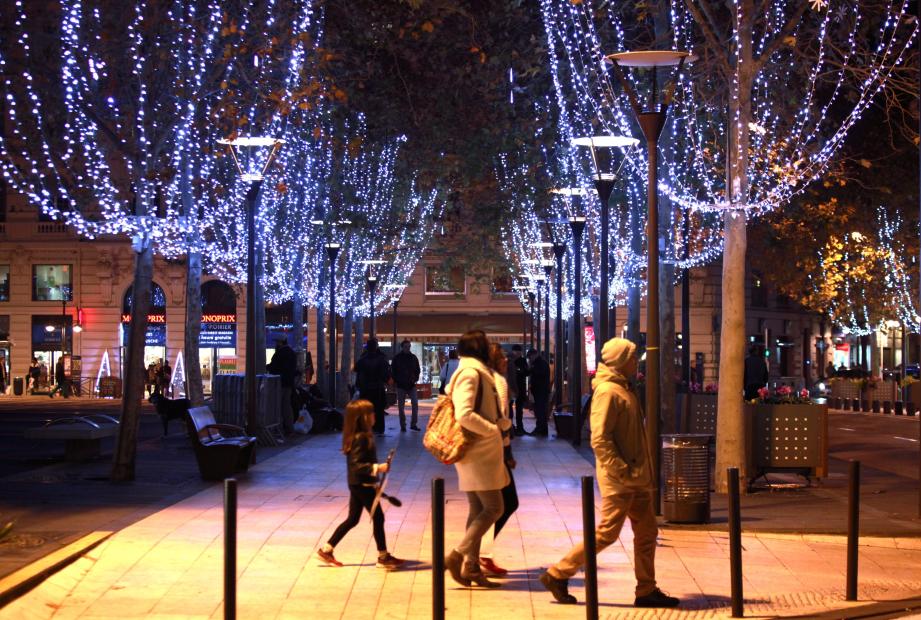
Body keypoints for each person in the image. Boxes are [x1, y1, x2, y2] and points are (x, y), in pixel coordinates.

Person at [539, 337, 679, 609]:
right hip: (622, 478)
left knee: (647, 532)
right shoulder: (608, 392)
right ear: (620, 361)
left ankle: (646, 589)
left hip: (635, 476)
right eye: (631, 358)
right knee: (606, 533)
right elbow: (600, 439)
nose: (635, 362)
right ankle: (558, 573)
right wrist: (622, 471)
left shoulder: (623, 388)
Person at [444, 330, 510, 589]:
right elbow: (465, 414)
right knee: (495, 507)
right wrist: (493, 429)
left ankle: (471, 566)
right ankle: (458, 554)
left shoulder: (476, 372)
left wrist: (500, 423)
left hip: (478, 449)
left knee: (477, 509)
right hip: (478, 450)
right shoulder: (471, 374)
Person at [315, 399, 404, 570]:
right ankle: (383, 556)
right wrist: (379, 467)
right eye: (371, 413)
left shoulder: (357, 436)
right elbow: (357, 465)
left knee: (353, 519)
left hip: (357, 483)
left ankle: (327, 549)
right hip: (361, 484)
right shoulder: (361, 438)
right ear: (363, 418)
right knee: (378, 517)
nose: (375, 415)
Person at [478, 342, 519, 577]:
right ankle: (473, 552)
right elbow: (502, 418)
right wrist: (507, 451)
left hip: (484, 450)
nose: (506, 359)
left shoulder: (482, 380)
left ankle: (480, 553)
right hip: (495, 451)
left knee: (488, 506)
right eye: (502, 356)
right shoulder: (499, 382)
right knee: (505, 503)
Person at [354, 338, 392, 435]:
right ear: (376, 346)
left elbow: (356, 369)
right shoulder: (381, 358)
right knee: (378, 410)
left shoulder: (363, 358)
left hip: (366, 388)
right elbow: (386, 374)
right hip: (377, 388)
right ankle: (378, 428)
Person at [267, 337, 299, 434]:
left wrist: (265, 367)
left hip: (279, 383)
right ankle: (290, 427)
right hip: (289, 383)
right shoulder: (292, 353)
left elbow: (273, 367)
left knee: (277, 406)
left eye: (277, 342)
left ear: (281, 342)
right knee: (287, 405)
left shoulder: (280, 353)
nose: (275, 344)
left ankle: (278, 428)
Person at [391, 340, 421, 432]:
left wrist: (415, 379)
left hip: (411, 384)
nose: (408, 348)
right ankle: (403, 425)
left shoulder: (413, 358)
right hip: (401, 385)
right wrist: (397, 380)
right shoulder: (397, 358)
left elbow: (417, 370)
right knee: (401, 406)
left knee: (415, 404)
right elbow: (393, 371)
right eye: (406, 347)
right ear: (402, 347)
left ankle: (413, 424)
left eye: (409, 346)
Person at [527, 349, 551, 436]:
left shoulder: (539, 364)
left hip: (540, 390)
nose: (530, 359)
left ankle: (540, 429)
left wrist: (531, 369)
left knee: (540, 410)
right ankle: (543, 430)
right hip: (541, 390)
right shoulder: (541, 363)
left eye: (530, 357)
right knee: (541, 410)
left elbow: (538, 375)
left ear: (535, 355)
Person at [509, 345, 529, 436]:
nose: (517, 354)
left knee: (519, 409)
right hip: (512, 387)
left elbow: (526, 372)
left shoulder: (523, 360)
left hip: (520, 387)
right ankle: (511, 427)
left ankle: (520, 428)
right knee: (509, 409)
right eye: (515, 352)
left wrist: (519, 371)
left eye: (518, 352)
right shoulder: (509, 361)